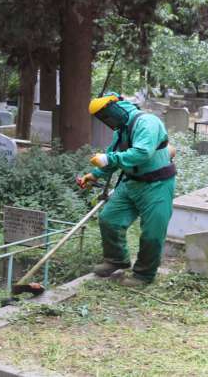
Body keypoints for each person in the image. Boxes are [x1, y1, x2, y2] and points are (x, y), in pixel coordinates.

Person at [78, 92, 176, 286]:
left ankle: (144, 274)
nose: (106, 119)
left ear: (117, 106)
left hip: (157, 185)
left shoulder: (147, 122)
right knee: (109, 218)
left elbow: (142, 153)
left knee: (152, 232)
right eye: (101, 117)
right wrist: (94, 175)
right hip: (131, 183)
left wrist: (109, 159)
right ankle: (116, 260)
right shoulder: (120, 130)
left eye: (106, 113)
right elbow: (113, 157)